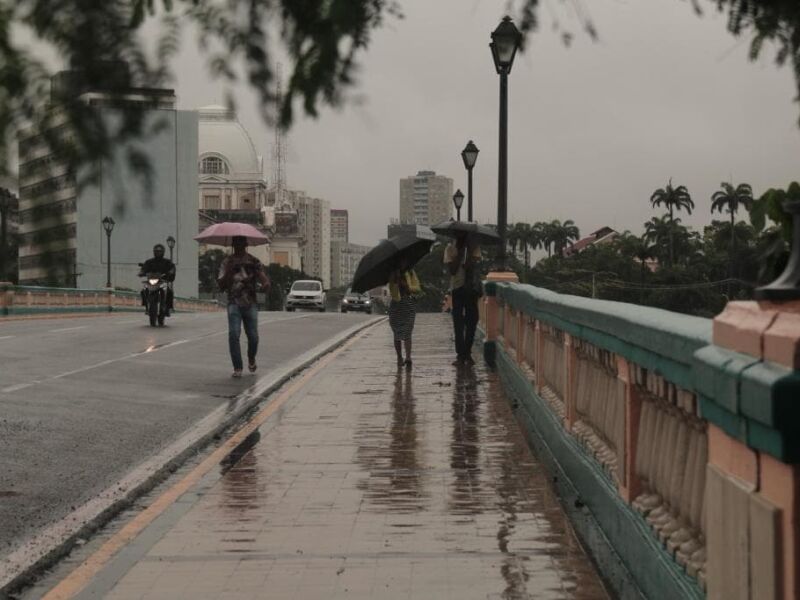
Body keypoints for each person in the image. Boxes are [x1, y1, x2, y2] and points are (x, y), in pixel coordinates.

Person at [217, 236, 270, 378]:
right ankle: (237, 367)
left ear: (246, 245)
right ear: (233, 245)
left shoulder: (253, 261)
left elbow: (263, 278)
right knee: (234, 334)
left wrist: (265, 284)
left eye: (242, 243)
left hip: (250, 303)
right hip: (234, 302)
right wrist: (229, 271)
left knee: (253, 337)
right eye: (236, 243)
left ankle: (251, 358)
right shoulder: (226, 262)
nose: (239, 246)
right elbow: (221, 285)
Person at [444, 233, 482, 365]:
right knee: (458, 322)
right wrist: (460, 253)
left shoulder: (474, 247)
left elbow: (472, 266)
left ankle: (467, 352)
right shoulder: (450, 249)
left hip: (471, 289)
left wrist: (469, 252)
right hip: (457, 288)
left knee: (472, 320)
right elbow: (453, 270)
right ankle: (461, 354)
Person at [387, 256, 421, 369]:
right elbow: (392, 291)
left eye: (405, 260)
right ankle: (399, 357)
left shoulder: (411, 273)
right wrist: (396, 281)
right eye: (401, 260)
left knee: (407, 332)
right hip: (396, 305)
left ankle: (408, 357)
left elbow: (417, 287)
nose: (403, 262)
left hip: (408, 304)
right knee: (397, 333)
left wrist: (408, 287)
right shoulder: (392, 274)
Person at [139, 244, 175, 315]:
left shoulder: (167, 262)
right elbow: (144, 268)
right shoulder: (149, 262)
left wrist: (171, 272)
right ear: (154, 252)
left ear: (163, 252)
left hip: (162, 281)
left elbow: (172, 268)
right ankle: (146, 306)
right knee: (143, 290)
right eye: (156, 251)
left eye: (160, 251)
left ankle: (168, 308)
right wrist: (142, 272)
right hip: (151, 281)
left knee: (170, 291)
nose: (158, 253)